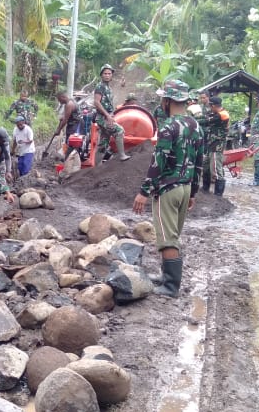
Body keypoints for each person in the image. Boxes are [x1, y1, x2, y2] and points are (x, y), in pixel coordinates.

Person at [132, 79, 204, 298]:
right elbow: (199, 161)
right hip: (184, 188)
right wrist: (193, 192)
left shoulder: (168, 127)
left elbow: (158, 162)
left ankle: (171, 286)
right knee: (173, 233)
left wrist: (144, 191)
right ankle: (166, 277)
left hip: (167, 190)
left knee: (167, 237)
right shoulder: (196, 126)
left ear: (167, 100)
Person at [94, 64, 129, 161]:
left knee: (103, 145)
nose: (107, 75)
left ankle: (95, 169)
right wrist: (107, 116)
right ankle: (122, 156)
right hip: (102, 118)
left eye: (109, 73)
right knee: (119, 130)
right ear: (101, 75)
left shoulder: (108, 88)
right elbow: (96, 102)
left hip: (107, 117)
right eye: (105, 73)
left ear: (111, 75)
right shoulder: (100, 86)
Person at [206, 96, 231, 196]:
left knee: (216, 169)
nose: (210, 108)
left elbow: (208, 121)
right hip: (212, 144)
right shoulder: (216, 113)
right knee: (207, 167)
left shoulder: (222, 114)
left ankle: (218, 195)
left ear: (214, 105)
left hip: (218, 146)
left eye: (210, 106)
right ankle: (205, 189)